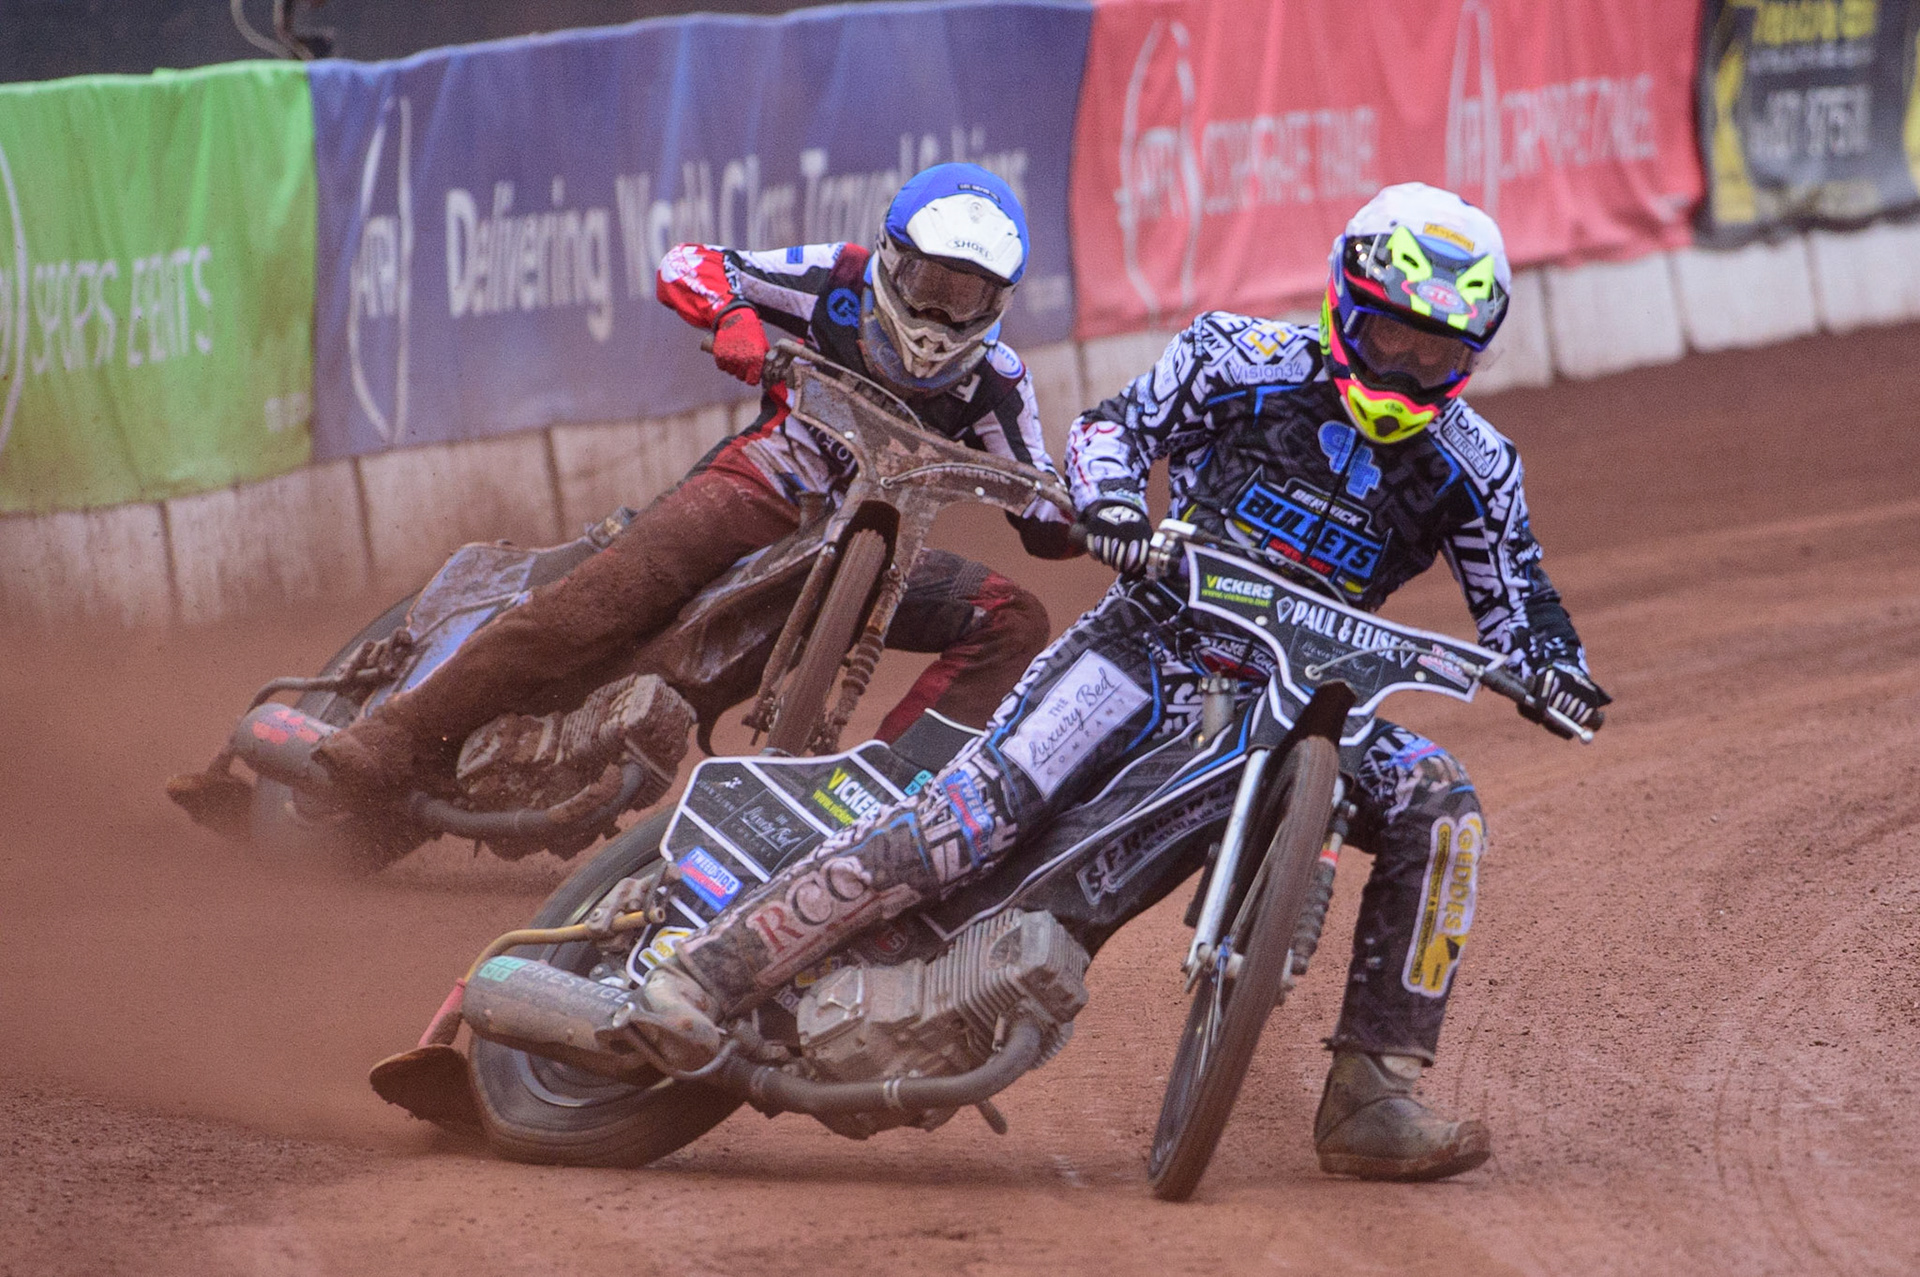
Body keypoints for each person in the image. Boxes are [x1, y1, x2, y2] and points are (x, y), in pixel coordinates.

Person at [627, 183, 1610, 1182]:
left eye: (1436, 352)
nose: (1405, 363)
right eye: (1391, 336)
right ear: (1344, 303)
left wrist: (1556, 669)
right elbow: (1114, 431)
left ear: (1471, 354)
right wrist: (1111, 507)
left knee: (1441, 805)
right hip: (1150, 643)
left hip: (1312, 695)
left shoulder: (1477, 462)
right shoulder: (1241, 358)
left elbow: (1521, 599)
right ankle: (712, 969)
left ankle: (1375, 1090)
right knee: (971, 819)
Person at [314, 162, 1075, 797]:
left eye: (967, 294)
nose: (941, 310)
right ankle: (394, 737)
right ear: (889, 257)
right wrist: (733, 316)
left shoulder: (999, 383)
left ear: (998, 303)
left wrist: (1086, 515)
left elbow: (1041, 503)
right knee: (600, 602)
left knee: (1016, 620)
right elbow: (690, 261)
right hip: (766, 487)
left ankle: (883, 803)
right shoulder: (836, 280)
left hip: (880, 553)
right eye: (929, 280)